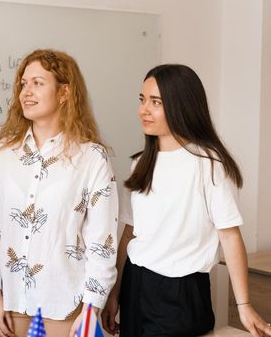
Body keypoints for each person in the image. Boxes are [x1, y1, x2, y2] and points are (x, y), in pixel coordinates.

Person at [101, 64, 271, 336]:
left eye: (156, 102)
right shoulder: (139, 164)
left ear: (181, 105)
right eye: (142, 100)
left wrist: (244, 304)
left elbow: (229, 236)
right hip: (136, 283)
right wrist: (114, 294)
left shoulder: (208, 164)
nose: (144, 109)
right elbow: (129, 234)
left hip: (181, 291)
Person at [0, 49, 118, 337]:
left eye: (38, 83)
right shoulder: (3, 154)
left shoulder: (91, 158)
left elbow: (102, 242)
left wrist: (92, 309)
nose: (26, 92)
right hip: (10, 306)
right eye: (23, 84)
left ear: (64, 92)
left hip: (68, 306)